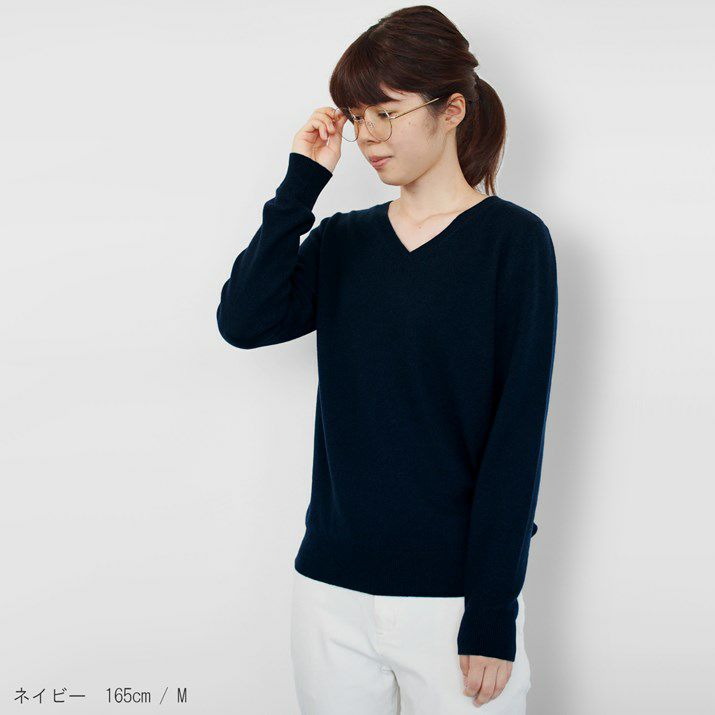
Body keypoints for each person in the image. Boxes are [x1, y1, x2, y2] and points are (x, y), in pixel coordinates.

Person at [216, 6, 558, 713]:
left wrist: (492, 609)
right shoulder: (343, 241)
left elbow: (516, 435)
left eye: (385, 112)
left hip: (453, 600)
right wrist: (299, 186)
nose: (367, 135)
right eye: (355, 116)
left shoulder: (513, 243)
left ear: (450, 109)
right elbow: (243, 322)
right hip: (329, 593)